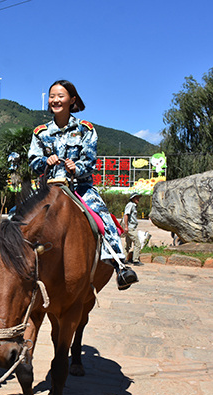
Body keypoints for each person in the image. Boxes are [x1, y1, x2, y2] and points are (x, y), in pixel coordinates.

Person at [28, 79, 137, 290]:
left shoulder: (86, 129)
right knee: (16, 217)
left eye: (60, 96)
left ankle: (120, 265)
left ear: (72, 100)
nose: (55, 100)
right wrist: (45, 161)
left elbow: (90, 161)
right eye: (52, 96)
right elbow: (33, 161)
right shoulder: (40, 132)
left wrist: (76, 167)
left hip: (79, 187)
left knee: (103, 218)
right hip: (48, 188)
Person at [123, 193, 143, 266]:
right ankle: (135, 260)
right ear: (132, 198)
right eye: (136, 197)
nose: (138, 199)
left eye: (138, 197)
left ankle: (124, 259)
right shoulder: (130, 205)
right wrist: (126, 226)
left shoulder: (133, 205)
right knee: (137, 244)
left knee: (127, 244)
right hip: (130, 228)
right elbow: (126, 215)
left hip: (131, 227)